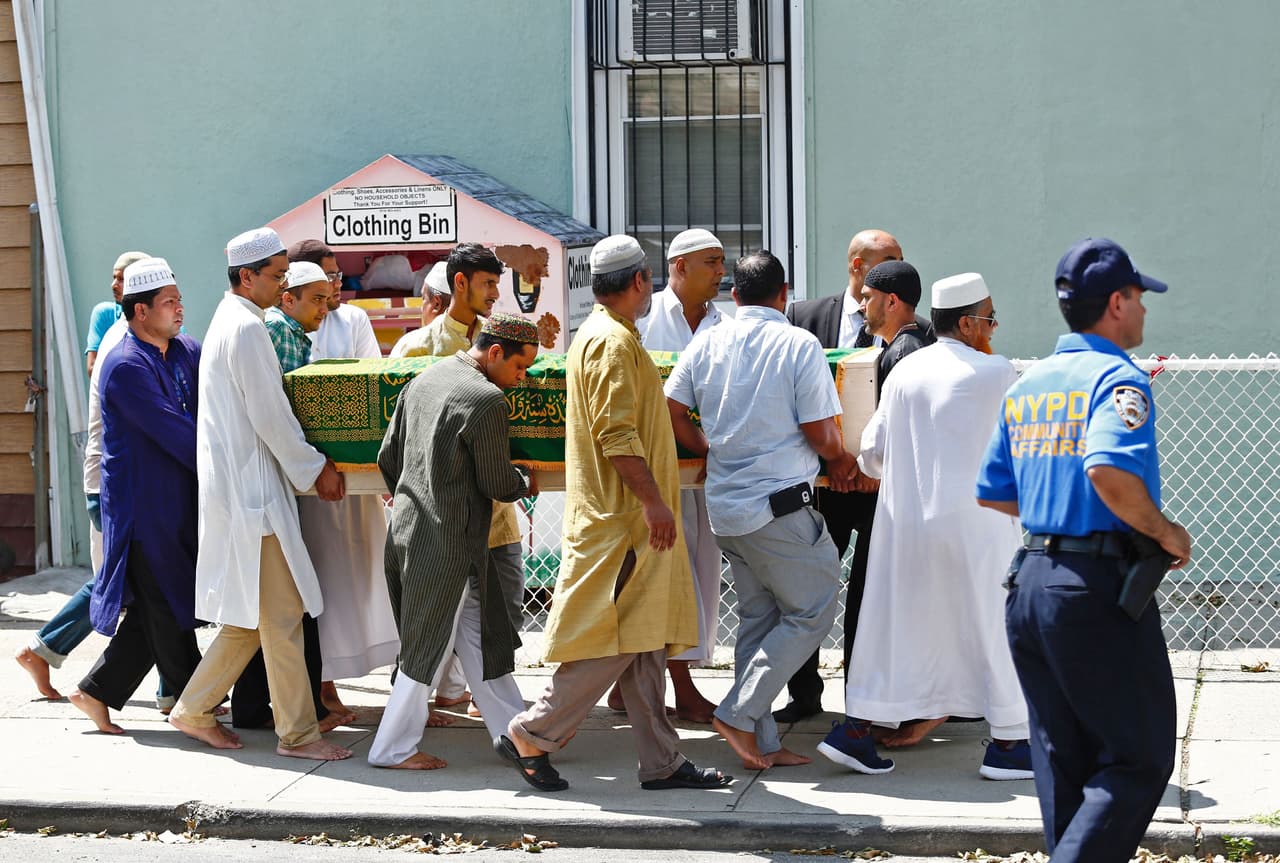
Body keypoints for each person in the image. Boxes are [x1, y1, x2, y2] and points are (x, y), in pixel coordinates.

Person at [976, 237, 1192, 861]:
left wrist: (1058, 513)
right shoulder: (1120, 379)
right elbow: (1108, 470)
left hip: (1032, 586)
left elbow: (995, 492)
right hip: (1093, 588)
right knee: (1138, 756)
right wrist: (1164, 531)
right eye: (1140, 297)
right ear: (1117, 302)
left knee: (1062, 761)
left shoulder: (1031, 383)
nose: (1147, 310)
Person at [495, 234, 731, 794]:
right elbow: (617, 435)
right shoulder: (610, 343)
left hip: (626, 521)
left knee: (643, 640)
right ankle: (533, 731)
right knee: (618, 640)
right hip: (623, 523)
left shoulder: (610, 336)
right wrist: (653, 503)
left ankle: (662, 762)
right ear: (638, 282)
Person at [821, 272, 1030, 778]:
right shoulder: (997, 372)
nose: (994, 327)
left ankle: (855, 732)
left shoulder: (907, 373)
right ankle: (1009, 745)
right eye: (989, 318)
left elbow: (873, 455)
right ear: (967, 322)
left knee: (897, 628)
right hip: (979, 526)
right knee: (994, 625)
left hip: (908, 528)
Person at [666, 250, 857, 771]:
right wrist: (841, 458)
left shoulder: (707, 340)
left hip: (726, 507)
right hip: (779, 508)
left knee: (759, 620)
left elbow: (671, 408)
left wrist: (707, 447)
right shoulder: (798, 343)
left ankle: (761, 741)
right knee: (814, 609)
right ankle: (740, 713)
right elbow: (821, 432)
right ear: (784, 294)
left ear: (734, 294)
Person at [167, 226, 351, 762]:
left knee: (263, 615)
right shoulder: (246, 329)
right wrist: (316, 468)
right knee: (280, 613)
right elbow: (271, 415)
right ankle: (295, 733)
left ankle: (196, 708)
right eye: (275, 277)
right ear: (246, 277)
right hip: (253, 494)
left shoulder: (235, 321)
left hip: (249, 490)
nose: (281, 285)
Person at [368, 313, 539, 770]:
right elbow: (497, 482)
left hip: (411, 531)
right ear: (496, 352)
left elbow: (388, 456)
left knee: (478, 640)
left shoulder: (427, 378)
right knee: (424, 650)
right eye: (520, 368)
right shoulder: (486, 400)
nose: (521, 381)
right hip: (449, 545)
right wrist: (525, 480)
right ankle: (392, 749)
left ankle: (516, 732)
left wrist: (415, 497)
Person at [15, 250, 165, 706]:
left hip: (124, 480)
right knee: (127, 581)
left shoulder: (148, 335)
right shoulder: (119, 330)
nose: (116, 285)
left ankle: (173, 687)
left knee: (140, 582)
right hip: (112, 481)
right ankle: (50, 650)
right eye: (114, 278)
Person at [67, 258, 204, 734]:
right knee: (166, 603)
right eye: (169, 303)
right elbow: (180, 434)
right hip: (143, 507)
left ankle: (96, 690)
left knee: (158, 604)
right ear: (140, 311)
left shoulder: (184, 349)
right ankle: (195, 703)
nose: (180, 309)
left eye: (180, 299)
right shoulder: (125, 365)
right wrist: (226, 464)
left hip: (180, 503)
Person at [776, 229, 905, 723]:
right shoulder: (804, 319)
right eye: (886, 261)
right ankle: (802, 695)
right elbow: (791, 400)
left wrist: (870, 466)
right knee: (806, 592)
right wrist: (832, 460)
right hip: (819, 487)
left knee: (870, 597)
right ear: (856, 265)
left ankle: (863, 702)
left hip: (877, 491)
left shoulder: (912, 333)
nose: (897, 269)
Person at [235, 262, 356, 732]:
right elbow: (282, 413)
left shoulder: (277, 329)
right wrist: (313, 466)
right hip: (267, 481)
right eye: (316, 300)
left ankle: (263, 709)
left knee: (273, 609)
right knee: (288, 609)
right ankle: (300, 716)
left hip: (274, 478)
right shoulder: (271, 332)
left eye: (328, 300)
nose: (325, 310)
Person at [612, 227, 726, 725]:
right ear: (678, 267)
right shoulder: (641, 320)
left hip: (704, 472)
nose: (721, 272)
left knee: (699, 573)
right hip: (651, 476)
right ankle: (673, 687)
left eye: (723, 263)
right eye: (711, 263)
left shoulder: (727, 324)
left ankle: (648, 685)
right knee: (658, 576)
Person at [286, 242, 398, 720]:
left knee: (363, 577)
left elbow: (368, 386)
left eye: (337, 277)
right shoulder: (281, 327)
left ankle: (344, 679)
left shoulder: (351, 321)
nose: (334, 286)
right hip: (306, 482)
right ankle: (322, 684)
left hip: (354, 480)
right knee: (318, 584)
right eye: (325, 279)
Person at [287, 239, 381, 364]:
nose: (339, 283)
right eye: (330, 277)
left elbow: (373, 373)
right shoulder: (277, 325)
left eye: (338, 275)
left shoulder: (354, 318)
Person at [84, 251, 147, 377]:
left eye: (121, 279)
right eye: (114, 278)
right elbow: (93, 369)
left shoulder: (167, 322)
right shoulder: (105, 314)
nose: (113, 285)